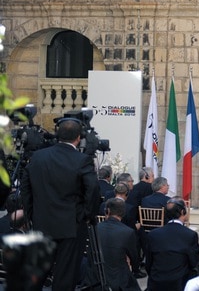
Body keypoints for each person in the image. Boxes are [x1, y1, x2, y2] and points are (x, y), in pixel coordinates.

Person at [21, 117, 99, 291]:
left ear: (57, 135)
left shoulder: (38, 157)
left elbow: (25, 187)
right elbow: (93, 189)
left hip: (42, 224)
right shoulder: (82, 160)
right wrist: (87, 215)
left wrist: (32, 214)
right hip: (71, 227)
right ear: (79, 137)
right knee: (64, 277)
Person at [146, 198, 199, 290]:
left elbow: (149, 262)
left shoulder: (153, 234)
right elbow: (194, 262)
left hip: (157, 281)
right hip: (180, 282)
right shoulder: (190, 235)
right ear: (183, 212)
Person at [95, 198, 142, 291]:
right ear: (123, 213)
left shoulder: (96, 227)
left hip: (96, 275)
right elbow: (134, 257)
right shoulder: (128, 232)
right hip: (120, 278)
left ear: (107, 211)